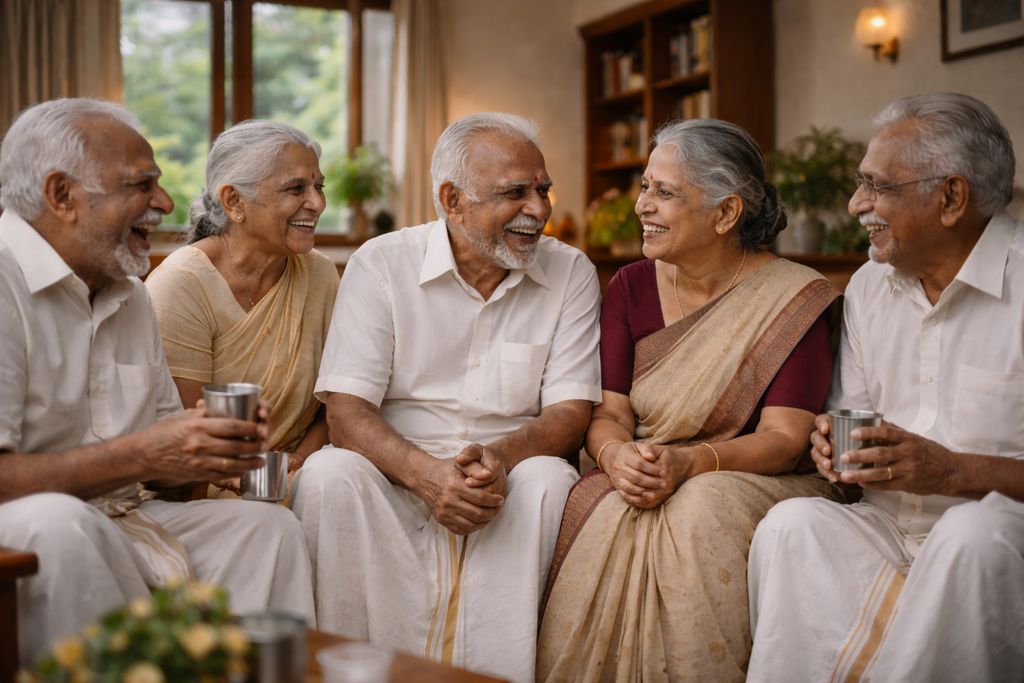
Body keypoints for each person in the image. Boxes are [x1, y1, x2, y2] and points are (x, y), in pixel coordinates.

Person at [0, 98, 315, 665]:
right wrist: (141, 455)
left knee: (267, 529)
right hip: (35, 520)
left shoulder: (131, 293)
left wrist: (209, 450)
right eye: (140, 186)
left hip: (125, 514)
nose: (166, 204)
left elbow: (166, 470)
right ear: (61, 195)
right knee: (60, 520)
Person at [291, 112, 601, 683]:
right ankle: (349, 672)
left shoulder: (572, 271)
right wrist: (428, 475)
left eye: (543, 189)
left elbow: (570, 411)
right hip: (393, 470)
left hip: (507, 472)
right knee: (329, 473)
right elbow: (347, 410)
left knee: (552, 480)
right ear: (452, 199)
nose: (539, 209)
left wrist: (499, 460)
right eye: (515, 193)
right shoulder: (381, 263)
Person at [536, 119, 843, 683]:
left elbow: (784, 438)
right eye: (645, 186)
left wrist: (691, 462)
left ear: (726, 213)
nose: (642, 206)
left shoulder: (793, 297)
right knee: (596, 498)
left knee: (699, 506)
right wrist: (615, 458)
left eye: (664, 192)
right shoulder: (629, 285)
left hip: (751, 476)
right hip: (649, 468)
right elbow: (610, 414)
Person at [746, 93, 1024, 683]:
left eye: (877, 187)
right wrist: (835, 451)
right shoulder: (870, 285)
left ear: (950, 197)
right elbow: (852, 415)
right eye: (858, 184)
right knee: (792, 525)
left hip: (998, 531)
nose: (855, 205)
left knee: (969, 536)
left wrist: (954, 473)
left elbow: (960, 490)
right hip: (890, 522)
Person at [145, 120, 338, 498]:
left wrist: (296, 466)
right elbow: (188, 448)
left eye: (319, 186)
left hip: (299, 476)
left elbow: (334, 404)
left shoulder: (320, 273)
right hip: (202, 490)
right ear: (234, 201)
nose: (317, 203)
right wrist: (260, 485)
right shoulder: (182, 285)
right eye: (296, 188)